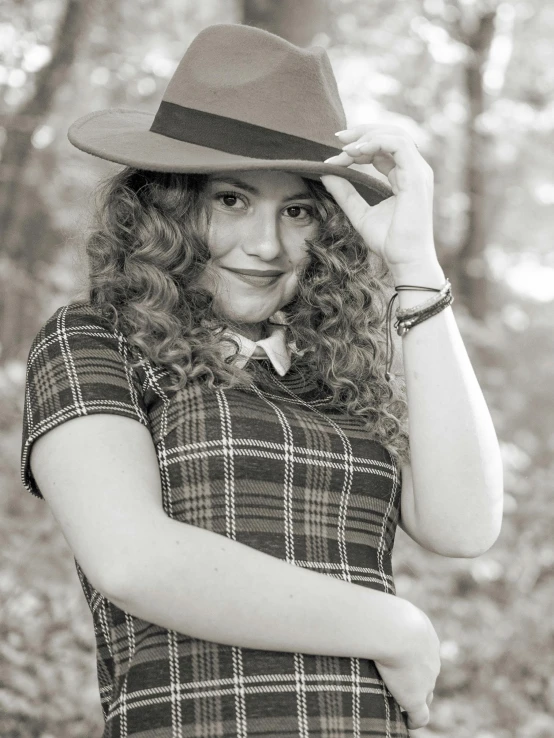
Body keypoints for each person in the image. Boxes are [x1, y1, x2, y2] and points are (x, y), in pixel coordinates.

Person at [20, 23, 503, 738]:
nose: (268, 245)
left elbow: (465, 526)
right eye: (232, 200)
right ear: (171, 206)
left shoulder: (337, 371)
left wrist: (417, 268)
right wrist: (392, 624)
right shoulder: (96, 339)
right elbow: (131, 560)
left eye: (298, 210)